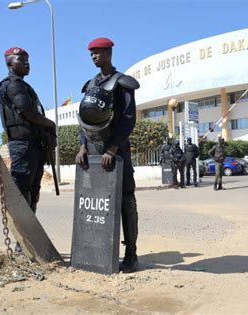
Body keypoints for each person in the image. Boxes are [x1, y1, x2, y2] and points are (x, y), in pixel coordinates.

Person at [75, 37, 140, 273]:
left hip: (117, 150)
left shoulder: (122, 83)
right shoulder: (90, 84)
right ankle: (94, 250)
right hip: (92, 151)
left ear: (109, 53)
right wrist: (82, 146)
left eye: (98, 52)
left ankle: (131, 253)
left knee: (124, 201)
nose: (94, 56)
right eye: (91, 53)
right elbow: (84, 121)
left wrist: (113, 149)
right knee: (94, 201)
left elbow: (128, 119)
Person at [0, 47, 57, 252]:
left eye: (27, 60)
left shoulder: (24, 86)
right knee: (22, 193)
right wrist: (49, 124)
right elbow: (27, 112)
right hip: (22, 145)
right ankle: (20, 242)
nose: (26, 63)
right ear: (9, 62)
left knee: (33, 192)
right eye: (21, 59)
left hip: (33, 145)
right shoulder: (13, 86)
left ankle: (28, 240)